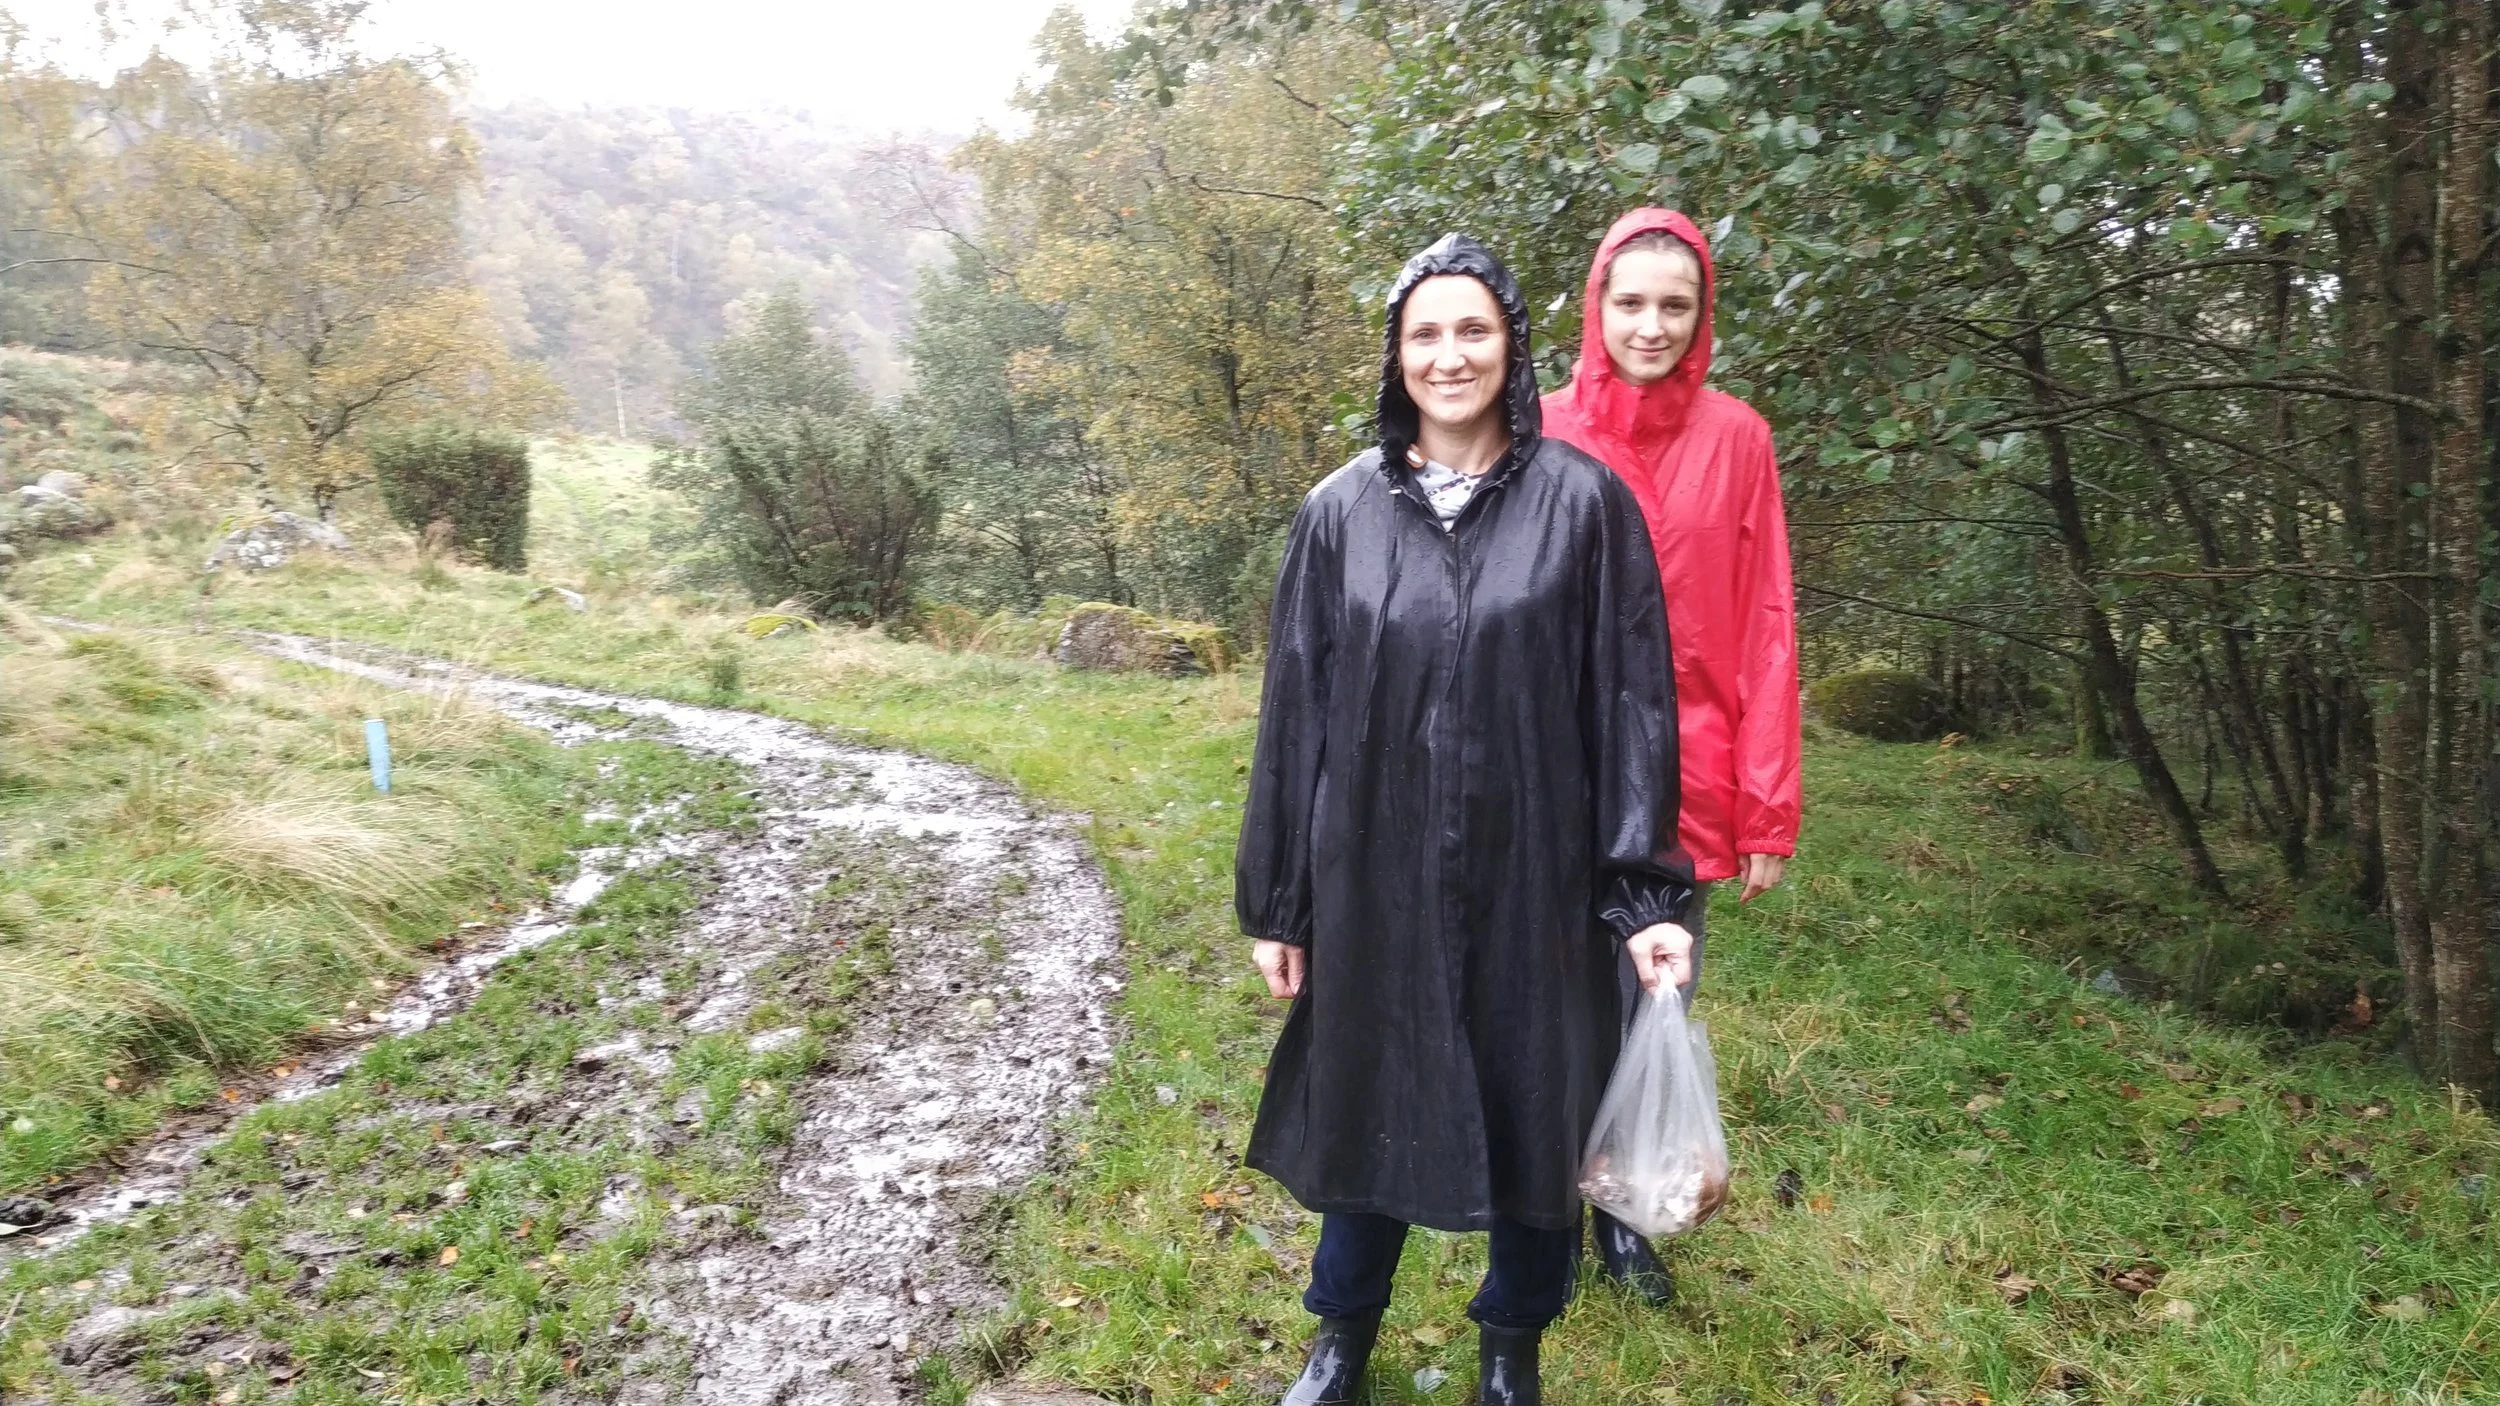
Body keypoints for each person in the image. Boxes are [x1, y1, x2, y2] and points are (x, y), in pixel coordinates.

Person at [1235, 232, 1699, 1406]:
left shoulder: (1584, 506)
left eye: (1473, 329)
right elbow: (1296, 713)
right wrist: (1281, 900)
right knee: (1368, 1092)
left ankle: (1510, 1348)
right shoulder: (1339, 513)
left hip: (1536, 873)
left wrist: (1645, 893)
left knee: (1537, 1103)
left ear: (1512, 346)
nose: (1450, 355)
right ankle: (1341, 1334)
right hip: (1373, 869)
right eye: (1426, 333)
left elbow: (1629, 707)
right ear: (1396, 356)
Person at [1540, 208, 1802, 1305]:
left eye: (1674, 306)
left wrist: (1766, 807)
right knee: (1549, 1001)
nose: (1650, 325)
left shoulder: (1738, 438)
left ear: (1702, 318)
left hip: (1681, 781)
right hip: (1551, 769)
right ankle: (1542, 1214)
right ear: (1597, 307)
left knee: (1655, 999)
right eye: (1632, 302)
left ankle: (1625, 1214)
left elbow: (1766, 619)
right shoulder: (1539, 427)